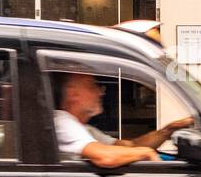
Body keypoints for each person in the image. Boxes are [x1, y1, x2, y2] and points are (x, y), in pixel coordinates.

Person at [51, 71, 193, 167]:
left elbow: (130, 146)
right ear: (73, 93)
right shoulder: (61, 121)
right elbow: (104, 157)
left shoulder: (86, 130)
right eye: (92, 86)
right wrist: (145, 153)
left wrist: (167, 131)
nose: (101, 92)